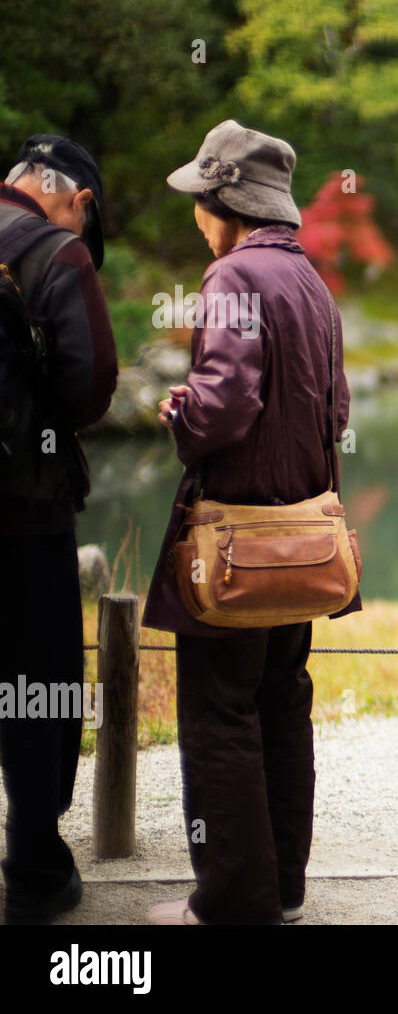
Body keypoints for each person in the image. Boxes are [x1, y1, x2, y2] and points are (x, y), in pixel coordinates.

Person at [141, 120, 356, 925]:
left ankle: (232, 901)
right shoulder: (311, 283)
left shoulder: (233, 275)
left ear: (226, 200)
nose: (196, 214)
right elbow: (334, 411)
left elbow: (225, 403)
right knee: (279, 702)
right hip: (301, 541)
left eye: (202, 198)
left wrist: (184, 416)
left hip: (234, 542)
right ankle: (283, 891)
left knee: (219, 711)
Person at [0, 135, 117, 924]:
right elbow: (89, 387)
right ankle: (35, 869)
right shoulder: (55, 256)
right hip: (21, 514)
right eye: (85, 217)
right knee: (38, 686)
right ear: (65, 193)